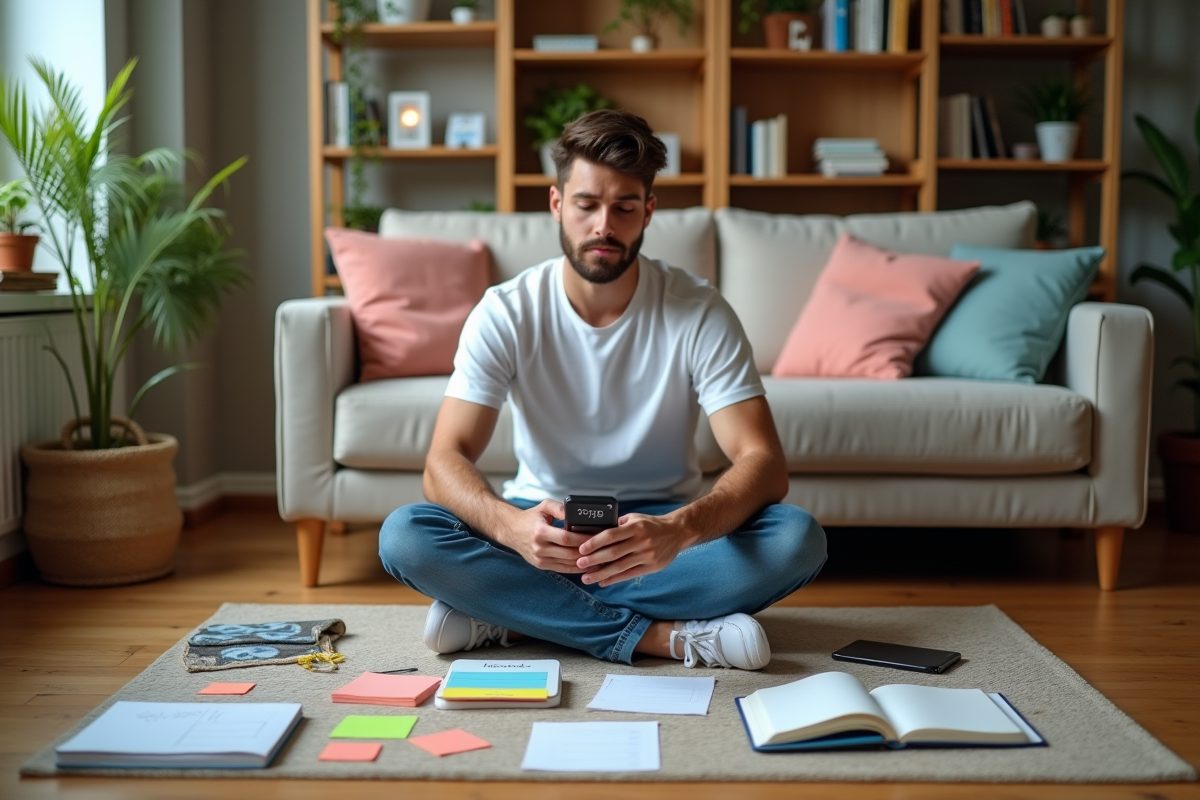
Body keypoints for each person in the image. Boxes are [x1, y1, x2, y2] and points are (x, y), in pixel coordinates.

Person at [378, 109, 826, 670]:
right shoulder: (506, 311)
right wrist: (511, 528)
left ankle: (511, 615)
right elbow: (443, 460)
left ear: (649, 211)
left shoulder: (699, 310)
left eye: (624, 207)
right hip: (540, 522)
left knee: (795, 539)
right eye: (587, 204)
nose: (603, 226)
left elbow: (764, 462)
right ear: (557, 204)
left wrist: (679, 529)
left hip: (662, 529)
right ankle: (663, 637)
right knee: (406, 534)